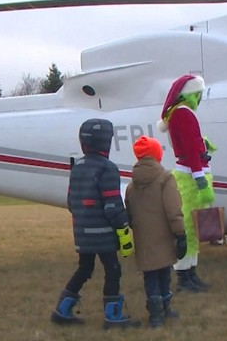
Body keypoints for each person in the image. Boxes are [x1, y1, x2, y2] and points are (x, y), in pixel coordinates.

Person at [51, 118, 140, 329]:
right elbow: (112, 206)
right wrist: (123, 226)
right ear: (106, 142)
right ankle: (113, 317)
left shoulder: (78, 166)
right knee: (113, 270)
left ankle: (62, 310)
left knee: (84, 268)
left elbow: (71, 202)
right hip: (103, 233)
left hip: (81, 231)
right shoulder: (107, 168)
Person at [157, 74, 215, 292]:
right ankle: (184, 277)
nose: (200, 99)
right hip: (191, 176)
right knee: (189, 228)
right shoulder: (183, 114)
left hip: (190, 172)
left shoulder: (179, 114)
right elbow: (189, 149)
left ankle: (190, 274)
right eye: (199, 94)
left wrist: (203, 145)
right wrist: (200, 180)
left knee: (193, 228)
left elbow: (190, 145)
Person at [125, 136, 187, 328]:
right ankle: (165, 309)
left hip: (144, 240)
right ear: (157, 154)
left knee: (150, 277)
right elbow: (173, 209)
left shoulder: (131, 186)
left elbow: (129, 214)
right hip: (163, 237)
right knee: (164, 274)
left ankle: (155, 316)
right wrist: (180, 234)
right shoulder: (165, 178)